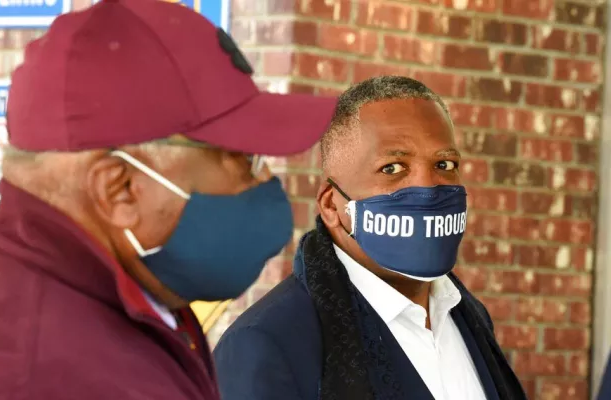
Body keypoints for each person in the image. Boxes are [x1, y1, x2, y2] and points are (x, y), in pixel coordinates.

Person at [0, 1, 336, 399]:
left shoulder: (111, 296)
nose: (264, 180)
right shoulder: (39, 377)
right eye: (244, 158)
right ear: (120, 189)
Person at [213, 76, 528, 400]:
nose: (428, 188)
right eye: (392, 168)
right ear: (331, 204)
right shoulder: (266, 343)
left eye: (444, 164)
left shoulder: (466, 315)